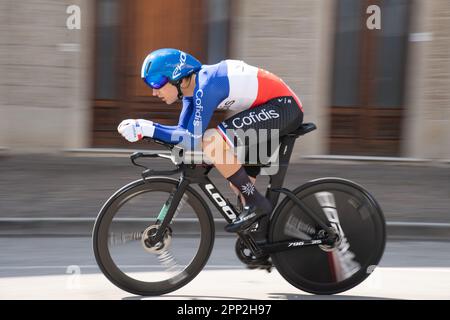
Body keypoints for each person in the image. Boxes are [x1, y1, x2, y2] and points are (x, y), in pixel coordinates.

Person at [117, 48, 303, 236]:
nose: (154, 92)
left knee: (211, 140)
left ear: (177, 76)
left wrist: (147, 128)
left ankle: (258, 203)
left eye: (156, 82)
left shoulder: (207, 86)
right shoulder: (192, 92)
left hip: (283, 108)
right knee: (239, 184)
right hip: (270, 108)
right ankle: (263, 241)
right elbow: (184, 134)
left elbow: (191, 138)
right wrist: (148, 131)